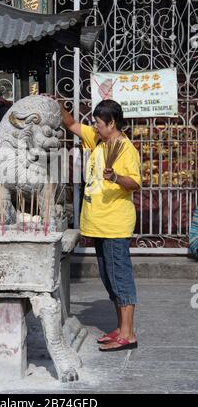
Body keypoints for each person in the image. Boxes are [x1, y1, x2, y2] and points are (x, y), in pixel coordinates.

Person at [60, 98, 141, 352]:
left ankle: (128, 334)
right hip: (97, 225)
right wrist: (54, 104)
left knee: (121, 278)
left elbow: (136, 183)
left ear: (111, 123)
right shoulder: (97, 140)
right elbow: (71, 124)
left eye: (98, 123)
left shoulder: (126, 149)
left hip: (114, 224)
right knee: (109, 279)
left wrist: (116, 177)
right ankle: (121, 328)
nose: (94, 127)